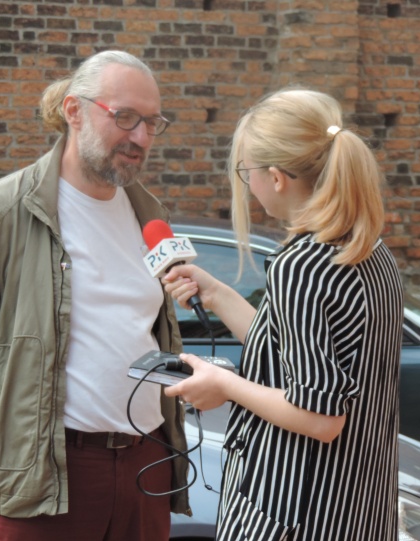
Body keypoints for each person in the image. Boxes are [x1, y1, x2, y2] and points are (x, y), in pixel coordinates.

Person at [0, 50, 189, 541]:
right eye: (124, 117)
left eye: (152, 123)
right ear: (74, 110)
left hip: (147, 465)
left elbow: (142, 337)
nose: (140, 138)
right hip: (46, 477)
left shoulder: (149, 214)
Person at [162, 88, 403, 540]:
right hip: (358, 511)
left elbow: (320, 417)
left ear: (276, 177)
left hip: (292, 513)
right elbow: (296, 358)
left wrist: (223, 385)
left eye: (245, 172)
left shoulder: (302, 265)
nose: (246, 185)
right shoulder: (368, 251)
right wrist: (217, 295)